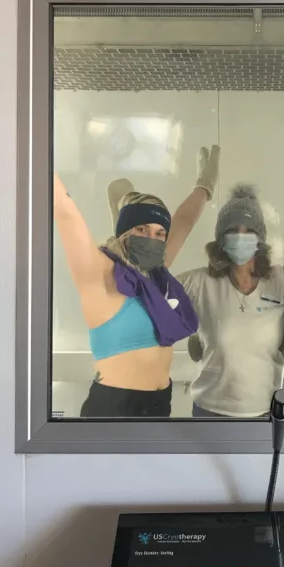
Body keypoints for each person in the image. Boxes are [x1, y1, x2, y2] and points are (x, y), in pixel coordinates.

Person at [53, 145, 220, 418]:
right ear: (124, 232)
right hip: (112, 409)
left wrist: (205, 185)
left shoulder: (154, 275)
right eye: (141, 229)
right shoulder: (100, 274)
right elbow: (67, 216)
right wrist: (36, 152)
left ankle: (125, 210)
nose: (152, 238)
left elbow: (184, 221)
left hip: (159, 405)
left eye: (159, 233)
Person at [177, 184, 284, 419]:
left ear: (260, 238)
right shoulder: (199, 283)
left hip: (269, 412)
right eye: (232, 230)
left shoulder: (283, 280)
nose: (241, 236)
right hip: (211, 412)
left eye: (249, 230)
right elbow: (152, 288)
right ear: (220, 238)